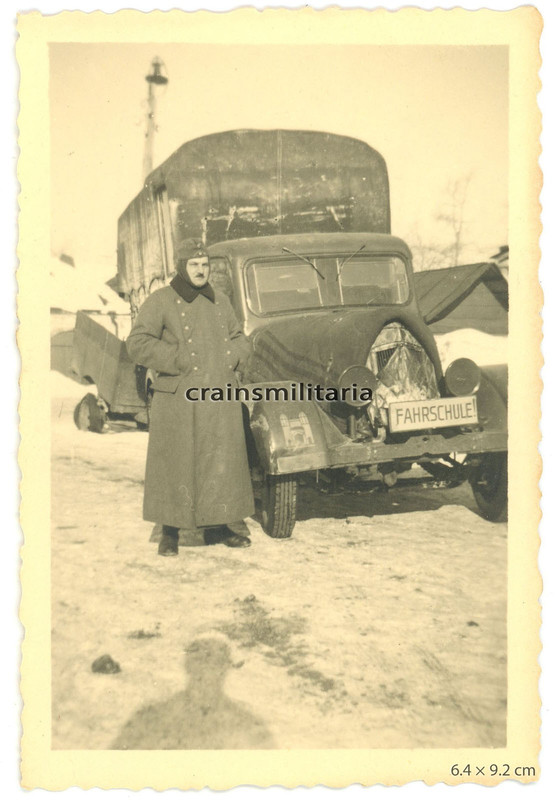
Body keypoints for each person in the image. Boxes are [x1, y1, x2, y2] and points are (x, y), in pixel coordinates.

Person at [126, 239, 255, 555]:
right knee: (177, 462)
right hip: (179, 397)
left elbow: (240, 338)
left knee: (220, 460)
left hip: (218, 394)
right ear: (182, 267)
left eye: (205, 264)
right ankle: (170, 531)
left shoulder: (220, 301)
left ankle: (223, 524)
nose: (201, 270)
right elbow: (137, 343)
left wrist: (231, 356)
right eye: (194, 265)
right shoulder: (161, 301)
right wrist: (178, 358)